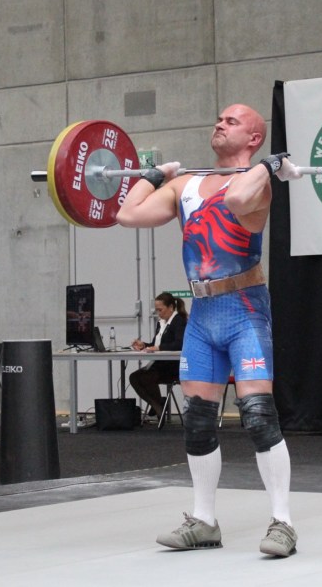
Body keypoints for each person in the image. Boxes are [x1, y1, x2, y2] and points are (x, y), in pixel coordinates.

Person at [117, 103, 303, 557]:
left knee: (257, 415)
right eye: (219, 118)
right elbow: (127, 214)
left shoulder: (257, 183)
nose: (219, 124)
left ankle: (283, 523)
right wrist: (155, 175)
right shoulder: (186, 184)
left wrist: (270, 166)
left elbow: (237, 200)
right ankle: (203, 522)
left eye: (232, 121)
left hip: (245, 309)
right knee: (198, 419)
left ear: (254, 138)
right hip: (202, 315)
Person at [129, 292, 188, 420]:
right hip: (160, 365)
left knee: (144, 378)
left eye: (160, 310)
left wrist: (158, 348)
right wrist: (144, 345)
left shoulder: (179, 321)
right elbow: (155, 345)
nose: (158, 313)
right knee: (134, 377)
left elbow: (179, 344)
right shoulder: (161, 323)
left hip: (173, 366)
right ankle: (158, 403)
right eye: (156, 310)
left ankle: (158, 405)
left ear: (171, 307)